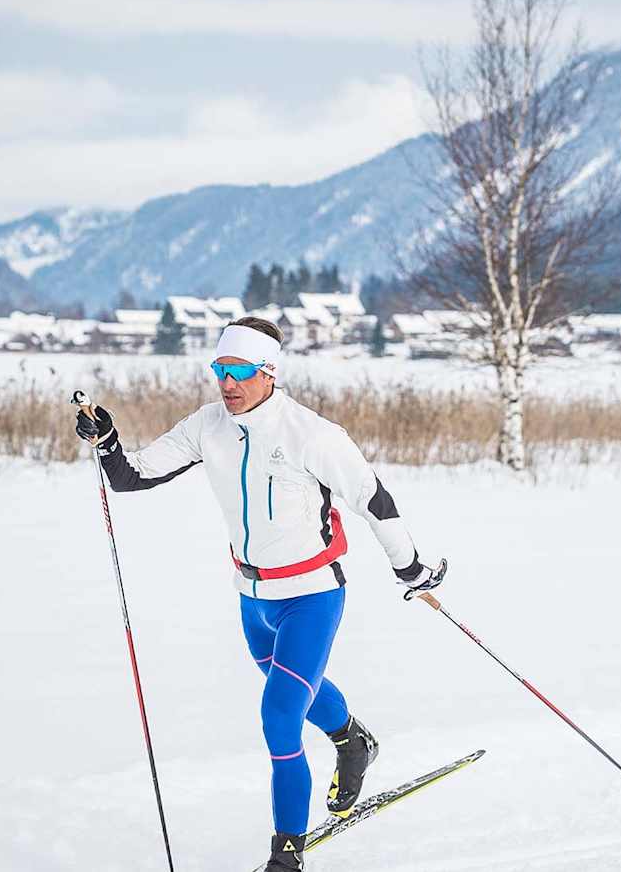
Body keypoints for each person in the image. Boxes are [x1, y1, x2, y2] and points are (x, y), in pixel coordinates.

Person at [75, 316, 446, 871]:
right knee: (293, 685)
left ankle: (287, 853)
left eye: (240, 371)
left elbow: (375, 500)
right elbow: (132, 477)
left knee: (279, 715)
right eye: (220, 370)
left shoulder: (312, 435)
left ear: (268, 372)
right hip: (252, 598)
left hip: (312, 596)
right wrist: (106, 442)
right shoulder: (208, 426)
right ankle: (353, 741)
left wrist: (410, 568)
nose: (227, 383)